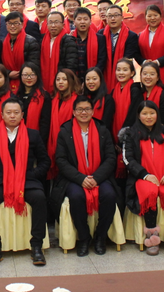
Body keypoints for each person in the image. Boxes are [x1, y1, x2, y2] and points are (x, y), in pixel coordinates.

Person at [0, 97, 51, 267]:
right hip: (1, 181)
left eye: (16, 112)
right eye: (8, 112)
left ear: (22, 114)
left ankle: (36, 246)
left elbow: (45, 161)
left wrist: (31, 175)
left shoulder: (33, 135)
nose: (12, 116)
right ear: (2, 115)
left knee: (40, 198)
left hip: (26, 181)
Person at [120, 101, 164, 255]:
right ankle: (152, 236)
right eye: (144, 113)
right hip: (143, 178)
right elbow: (128, 159)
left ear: (157, 114)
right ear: (138, 115)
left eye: (152, 113)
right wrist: (145, 175)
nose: (149, 117)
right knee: (149, 193)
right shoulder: (131, 134)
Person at [51, 96, 118, 256]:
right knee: (76, 197)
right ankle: (84, 237)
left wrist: (96, 178)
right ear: (74, 112)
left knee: (109, 195)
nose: (83, 112)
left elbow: (111, 158)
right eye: (80, 109)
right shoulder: (65, 132)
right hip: (75, 178)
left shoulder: (102, 130)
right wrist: (81, 179)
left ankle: (100, 237)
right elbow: (61, 160)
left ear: (93, 111)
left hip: (99, 177)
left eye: (87, 109)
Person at [111, 58, 143, 185]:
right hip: (115, 138)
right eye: (118, 70)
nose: (121, 73)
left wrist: (122, 139)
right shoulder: (114, 91)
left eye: (125, 70)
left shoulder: (135, 90)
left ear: (132, 73)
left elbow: (133, 115)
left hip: (130, 137)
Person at [47, 69, 81, 179]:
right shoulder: (52, 100)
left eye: (64, 79)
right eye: (58, 79)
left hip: (71, 143)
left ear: (71, 81)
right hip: (53, 141)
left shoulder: (78, 100)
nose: (60, 82)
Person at [138, 4, 164, 88]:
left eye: (155, 15)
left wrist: (158, 62)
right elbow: (137, 54)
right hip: (147, 72)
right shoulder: (140, 35)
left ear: (160, 16)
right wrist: (144, 62)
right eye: (149, 16)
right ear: (145, 18)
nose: (152, 18)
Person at [1, 11, 40, 93]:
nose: (12, 26)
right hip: (6, 81)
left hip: (26, 81)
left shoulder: (31, 41)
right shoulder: (2, 42)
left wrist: (20, 73)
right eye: (9, 23)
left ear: (22, 24)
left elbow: (34, 64)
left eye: (16, 23)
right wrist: (8, 73)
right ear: (6, 25)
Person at [103, 4, 141, 86]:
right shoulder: (101, 34)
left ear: (122, 18)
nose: (113, 18)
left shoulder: (131, 36)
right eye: (110, 16)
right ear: (106, 18)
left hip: (122, 75)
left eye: (116, 15)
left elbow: (127, 57)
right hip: (104, 75)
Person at [41, 11, 78, 93]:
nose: (53, 25)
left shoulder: (69, 41)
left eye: (56, 22)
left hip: (63, 83)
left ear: (63, 24)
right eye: (50, 22)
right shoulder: (41, 40)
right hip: (44, 82)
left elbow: (71, 65)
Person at [16, 62, 51, 147]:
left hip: (35, 141)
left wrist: (39, 142)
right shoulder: (16, 95)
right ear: (20, 76)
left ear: (37, 76)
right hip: (16, 139)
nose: (29, 78)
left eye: (32, 75)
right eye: (25, 75)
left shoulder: (44, 96)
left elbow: (45, 123)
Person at [71, 7, 107, 81]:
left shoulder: (100, 39)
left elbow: (102, 60)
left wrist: (92, 77)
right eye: (79, 19)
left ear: (90, 21)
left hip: (93, 79)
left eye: (85, 19)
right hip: (74, 80)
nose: (82, 22)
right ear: (74, 22)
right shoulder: (70, 39)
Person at [139, 61, 164, 127]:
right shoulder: (139, 93)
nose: (148, 77)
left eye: (152, 74)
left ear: (157, 77)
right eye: (145, 74)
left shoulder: (163, 95)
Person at [84, 67, 114, 131]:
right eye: (88, 79)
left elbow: (106, 123)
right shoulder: (82, 99)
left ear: (100, 80)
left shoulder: (108, 99)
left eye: (94, 79)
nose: (91, 82)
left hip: (101, 134)